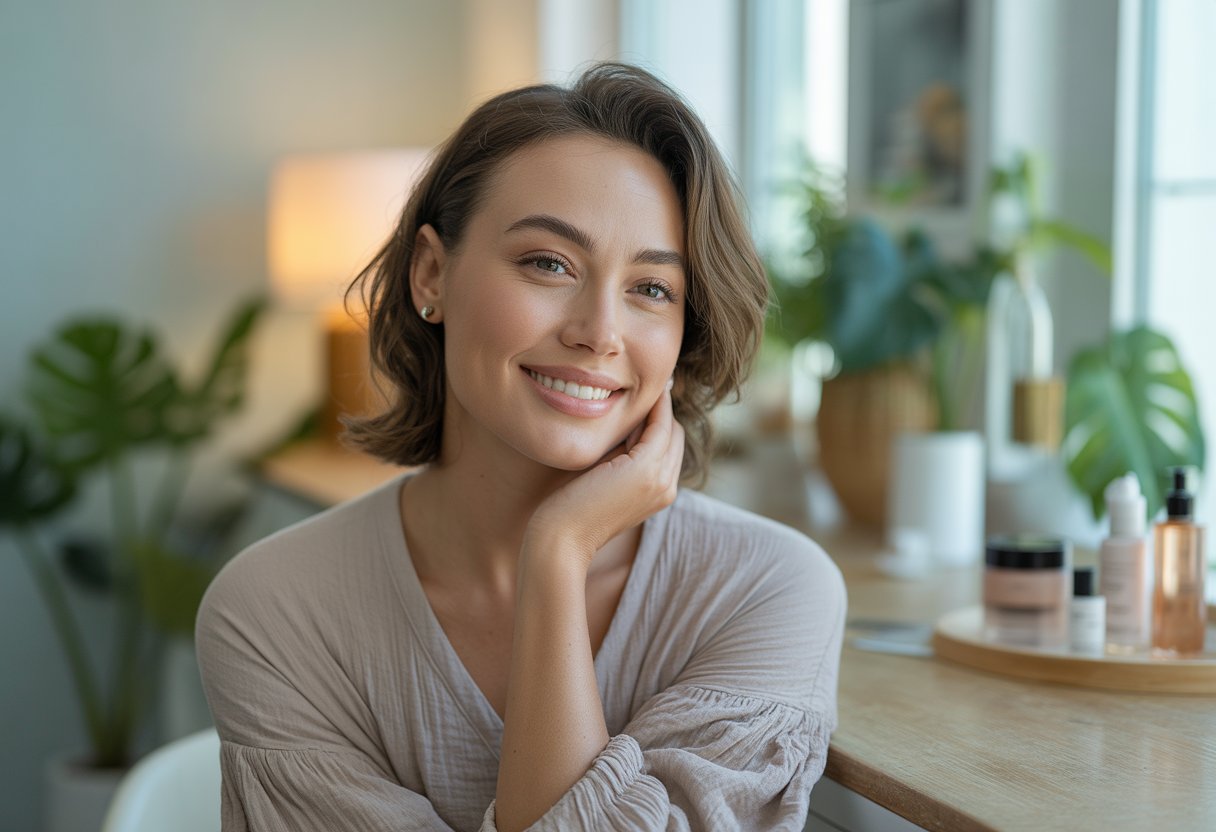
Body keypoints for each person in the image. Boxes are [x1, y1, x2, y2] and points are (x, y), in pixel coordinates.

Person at [197, 62, 846, 832]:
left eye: (651, 289)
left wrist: (557, 552)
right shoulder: (275, 611)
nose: (599, 331)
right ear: (432, 273)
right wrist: (561, 554)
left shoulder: (767, 592)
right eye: (549, 264)